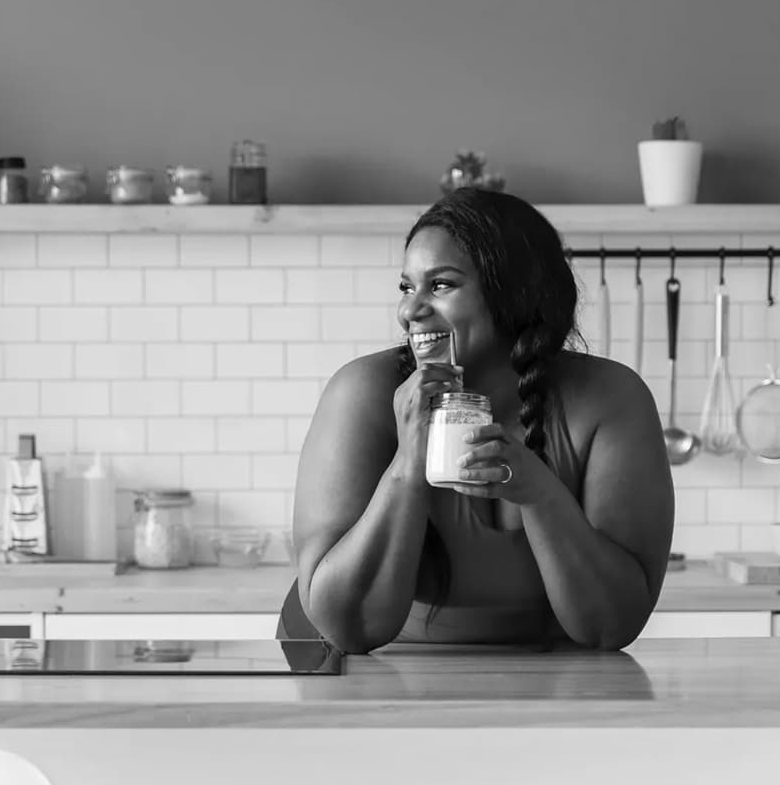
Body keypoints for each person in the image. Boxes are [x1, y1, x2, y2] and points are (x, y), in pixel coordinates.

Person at [289, 189, 675, 652]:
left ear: (513, 292)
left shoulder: (611, 398)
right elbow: (345, 627)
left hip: (565, 689)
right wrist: (409, 466)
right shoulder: (362, 393)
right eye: (407, 287)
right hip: (389, 683)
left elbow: (610, 627)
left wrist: (539, 493)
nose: (409, 311)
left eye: (441, 285)